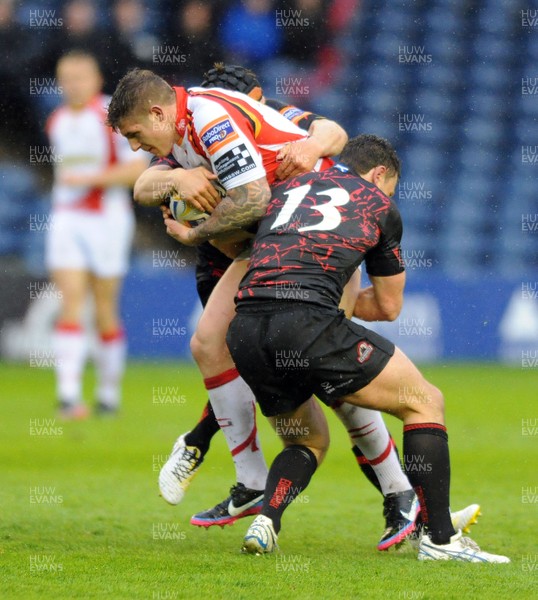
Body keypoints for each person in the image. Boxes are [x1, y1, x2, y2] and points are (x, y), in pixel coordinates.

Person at [113, 65, 479, 549]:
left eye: (136, 135)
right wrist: (179, 179)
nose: (135, 147)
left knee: (333, 383)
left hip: (312, 239)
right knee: (212, 345)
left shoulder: (213, 120)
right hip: (265, 244)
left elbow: (307, 152)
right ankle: (259, 480)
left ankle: (401, 499)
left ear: (159, 112)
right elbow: (142, 187)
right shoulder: (180, 131)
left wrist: (195, 229)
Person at [220, 134, 509, 562]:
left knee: (307, 443)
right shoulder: (378, 205)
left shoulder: (284, 190)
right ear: (379, 175)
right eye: (388, 186)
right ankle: (440, 539)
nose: (386, 194)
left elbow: (235, 240)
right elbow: (389, 306)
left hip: (244, 330)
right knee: (425, 402)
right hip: (306, 325)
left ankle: (268, 519)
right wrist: (339, 305)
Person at [46, 51, 147, 418]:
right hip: (66, 219)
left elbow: (137, 171)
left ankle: (108, 395)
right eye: (65, 78)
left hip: (108, 218)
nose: (72, 84)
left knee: (104, 307)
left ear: (96, 79)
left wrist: (90, 179)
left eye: (79, 77)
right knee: (70, 301)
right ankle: (69, 396)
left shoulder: (111, 117)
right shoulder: (56, 120)